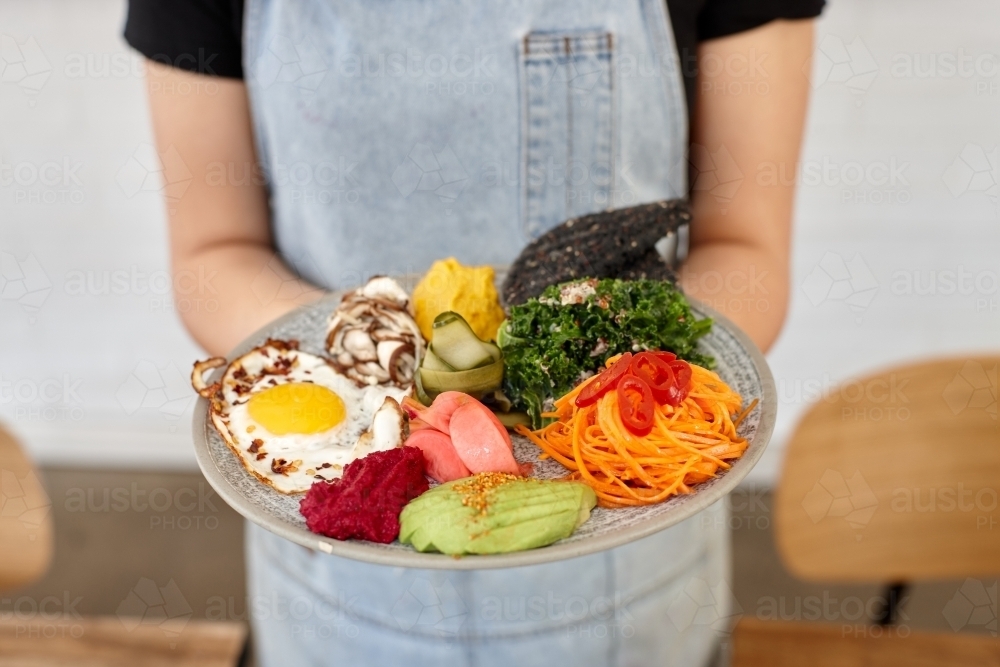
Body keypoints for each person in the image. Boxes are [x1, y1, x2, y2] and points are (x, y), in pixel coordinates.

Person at [126, 0, 821, 664]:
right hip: (333, 595)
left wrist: (615, 379)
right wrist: (367, 372)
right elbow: (212, 253)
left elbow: (746, 252)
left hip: (628, 587)